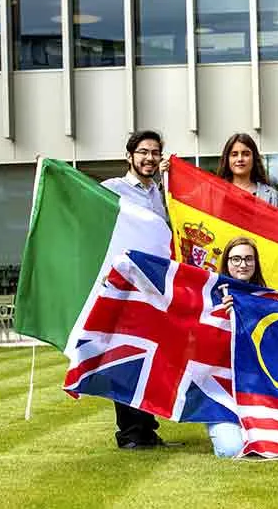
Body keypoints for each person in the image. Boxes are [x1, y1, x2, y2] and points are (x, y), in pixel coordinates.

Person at [101, 130, 170, 449]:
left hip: (154, 289)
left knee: (150, 359)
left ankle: (146, 428)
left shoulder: (159, 194)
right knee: (125, 358)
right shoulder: (112, 190)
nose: (149, 158)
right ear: (129, 156)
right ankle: (129, 433)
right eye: (143, 152)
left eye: (155, 153)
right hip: (124, 289)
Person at [208, 236, 268, 458]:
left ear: (256, 263)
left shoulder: (268, 297)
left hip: (258, 390)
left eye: (248, 259)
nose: (242, 265)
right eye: (236, 259)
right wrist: (218, 316)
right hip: (221, 392)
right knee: (232, 450)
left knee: (274, 442)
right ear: (226, 262)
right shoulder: (210, 296)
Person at [160, 133, 278, 209]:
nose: (240, 159)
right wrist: (165, 177)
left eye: (246, 154)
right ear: (227, 159)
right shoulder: (211, 190)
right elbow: (177, 203)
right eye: (234, 154)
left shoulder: (272, 196)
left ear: (254, 158)